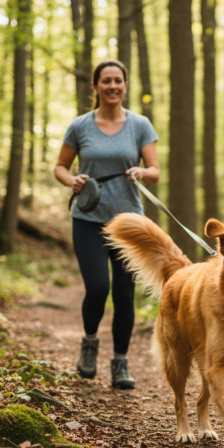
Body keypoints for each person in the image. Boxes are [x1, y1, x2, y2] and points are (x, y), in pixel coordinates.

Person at [53, 59, 159, 389]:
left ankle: (120, 364)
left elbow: (155, 171)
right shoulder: (80, 126)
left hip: (129, 224)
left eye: (118, 81)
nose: (112, 86)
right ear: (96, 86)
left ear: (125, 85)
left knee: (125, 295)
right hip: (88, 219)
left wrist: (142, 172)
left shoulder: (140, 125)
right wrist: (71, 180)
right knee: (98, 288)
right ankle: (89, 344)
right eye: (106, 81)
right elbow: (60, 166)